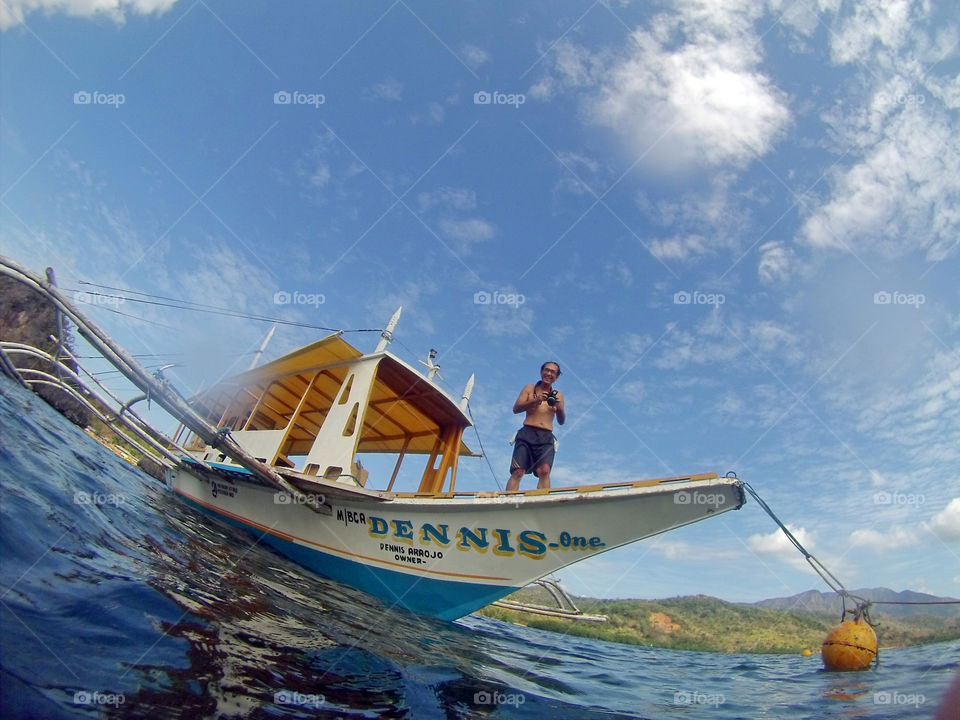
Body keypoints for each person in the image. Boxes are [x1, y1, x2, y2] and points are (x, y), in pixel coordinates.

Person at [506, 361, 566, 491]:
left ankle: (542, 503)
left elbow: (561, 421)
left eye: (553, 372)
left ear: (557, 377)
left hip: (546, 437)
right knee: (518, 471)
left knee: (544, 471)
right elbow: (516, 409)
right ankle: (509, 502)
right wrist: (535, 399)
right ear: (541, 371)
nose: (549, 374)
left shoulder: (558, 395)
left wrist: (559, 409)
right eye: (547, 370)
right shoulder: (529, 389)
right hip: (527, 433)